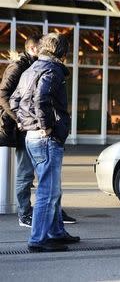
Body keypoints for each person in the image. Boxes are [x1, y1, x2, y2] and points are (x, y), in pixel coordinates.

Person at [10, 33, 80, 252]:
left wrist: (24, 123)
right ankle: (38, 239)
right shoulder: (52, 70)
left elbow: (14, 101)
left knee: (52, 189)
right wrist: (46, 126)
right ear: (61, 52)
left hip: (32, 136)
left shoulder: (31, 69)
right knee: (47, 192)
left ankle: (56, 232)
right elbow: (42, 99)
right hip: (45, 138)